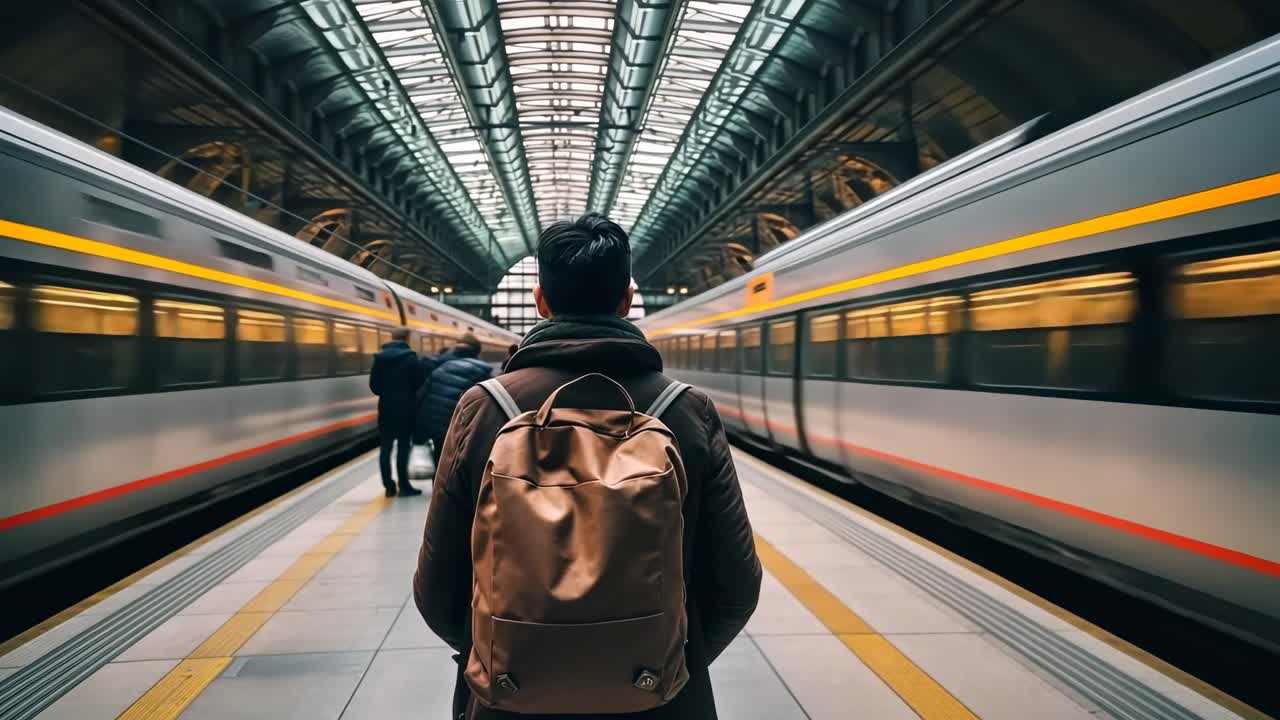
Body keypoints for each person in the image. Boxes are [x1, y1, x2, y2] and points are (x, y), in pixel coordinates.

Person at [414, 213, 761, 719]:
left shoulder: (484, 408)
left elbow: (437, 590)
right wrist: (659, 661)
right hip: (661, 699)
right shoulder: (686, 410)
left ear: (540, 301)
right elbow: (735, 587)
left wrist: (507, 656)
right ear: (626, 300)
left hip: (509, 699)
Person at [419, 333, 494, 464]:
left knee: (440, 463)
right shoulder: (483, 373)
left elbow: (423, 399)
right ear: (477, 351)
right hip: (466, 431)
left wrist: (419, 433)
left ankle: (439, 484)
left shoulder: (439, 370)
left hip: (440, 430)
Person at [369, 328, 425, 497]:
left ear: (392, 338)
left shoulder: (379, 359)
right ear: (406, 339)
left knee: (385, 447)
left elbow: (374, 387)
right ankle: (404, 486)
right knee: (403, 447)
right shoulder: (411, 358)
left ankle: (388, 486)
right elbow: (419, 384)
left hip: (386, 408)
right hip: (406, 408)